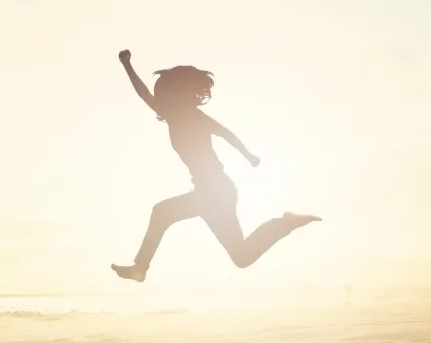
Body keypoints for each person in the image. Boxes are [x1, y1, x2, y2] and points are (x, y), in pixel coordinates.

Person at [111, 49, 320, 282]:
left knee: (161, 212)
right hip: (212, 192)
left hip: (215, 190)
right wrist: (127, 65)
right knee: (241, 257)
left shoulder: (193, 116)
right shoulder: (171, 113)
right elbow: (143, 93)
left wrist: (248, 155)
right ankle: (285, 224)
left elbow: (226, 134)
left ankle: (140, 268)